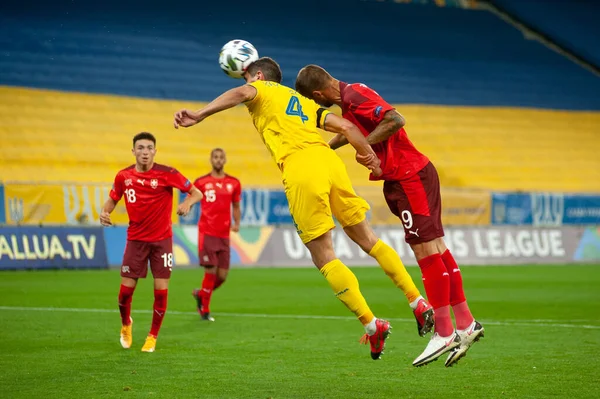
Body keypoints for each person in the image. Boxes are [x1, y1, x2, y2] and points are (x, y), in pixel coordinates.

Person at [173, 57, 433, 360]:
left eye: (246, 77)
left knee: (324, 256)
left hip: (300, 167)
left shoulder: (261, 89)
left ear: (258, 76)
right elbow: (347, 126)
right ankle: (417, 301)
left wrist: (201, 114)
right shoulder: (301, 102)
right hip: (329, 162)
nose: (244, 83)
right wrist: (370, 157)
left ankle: (373, 326)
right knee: (368, 239)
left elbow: (243, 94)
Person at [295, 65, 484, 367]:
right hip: (407, 177)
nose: (319, 106)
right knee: (437, 248)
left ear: (317, 94)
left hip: (410, 176)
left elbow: (395, 119)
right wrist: (329, 148)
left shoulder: (354, 96)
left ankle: (445, 332)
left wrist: (364, 146)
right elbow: (358, 129)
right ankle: (466, 323)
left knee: (426, 252)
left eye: (315, 101)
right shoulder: (350, 98)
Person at [100, 132, 203, 353]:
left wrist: (187, 204)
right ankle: (126, 324)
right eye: (140, 148)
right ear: (133, 151)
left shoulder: (168, 173)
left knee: (160, 290)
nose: (145, 152)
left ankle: (152, 337)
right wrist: (104, 212)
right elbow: (113, 199)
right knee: (125, 293)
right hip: (135, 241)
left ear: (155, 151)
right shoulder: (123, 176)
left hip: (162, 242)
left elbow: (197, 193)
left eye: (149, 148)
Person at [191, 148, 241, 321]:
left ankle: (200, 294)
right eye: (215, 157)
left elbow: (235, 205)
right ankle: (204, 310)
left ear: (225, 160)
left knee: (222, 276)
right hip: (207, 232)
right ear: (211, 160)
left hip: (224, 235)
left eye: (221, 157)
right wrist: (187, 206)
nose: (218, 160)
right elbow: (190, 197)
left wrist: (237, 223)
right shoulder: (202, 182)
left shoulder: (234, 183)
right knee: (210, 272)